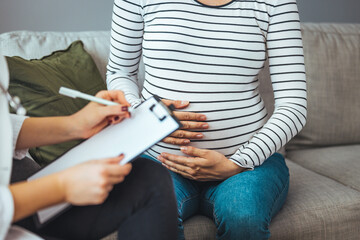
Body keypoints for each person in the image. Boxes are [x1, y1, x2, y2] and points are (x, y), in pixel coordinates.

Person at [106, 0, 307, 239]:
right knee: (147, 221)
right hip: (157, 160)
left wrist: (238, 163)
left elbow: (294, 105)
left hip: (248, 167)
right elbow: (120, 72)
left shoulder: (276, 3)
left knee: (243, 218)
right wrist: (148, 119)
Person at [0, 56, 178, 240]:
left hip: (16, 178)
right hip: (11, 209)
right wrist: (62, 186)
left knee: (147, 176)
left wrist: (74, 125)